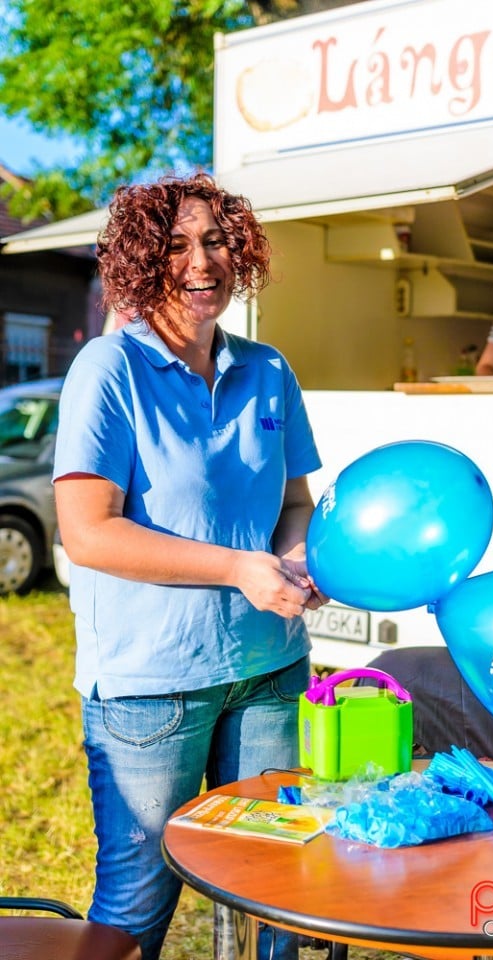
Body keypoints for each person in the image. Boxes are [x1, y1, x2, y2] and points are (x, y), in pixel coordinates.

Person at [52, 172, 329, 960]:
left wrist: (293, 553)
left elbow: (295, 501)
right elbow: (89, 534)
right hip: (151, 687)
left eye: (214, 241)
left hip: (271, 670)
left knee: (280, 882)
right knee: (141, 893)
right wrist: (239, 569)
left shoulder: (268, 369)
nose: (201, 261)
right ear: (144, 261)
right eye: (175, 246)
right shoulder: (109, 370)